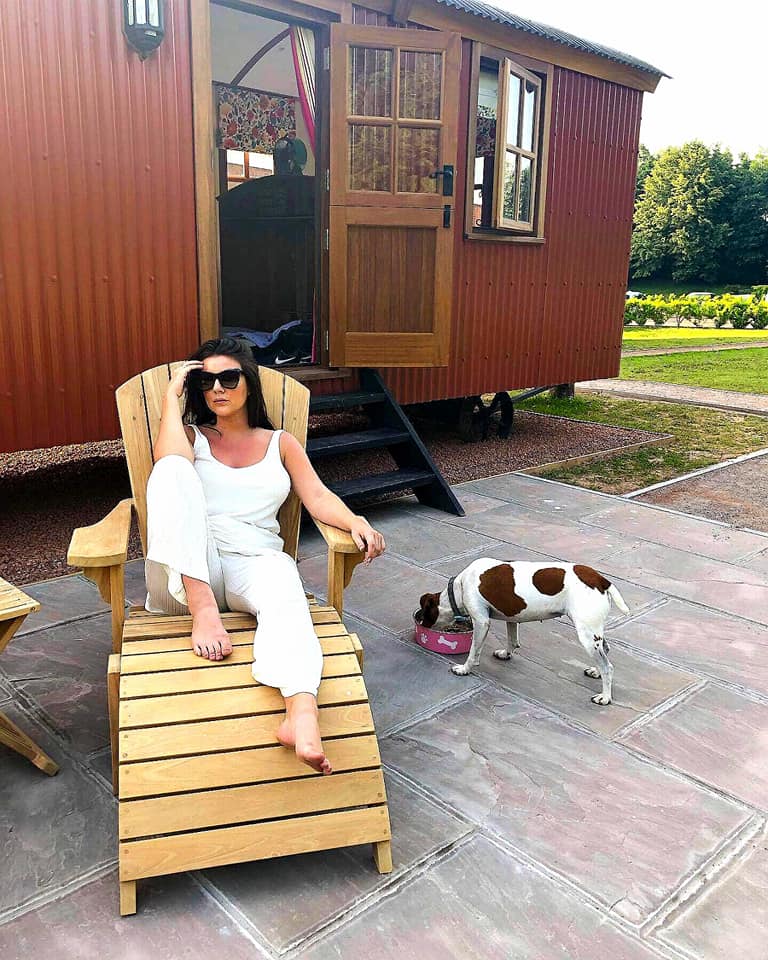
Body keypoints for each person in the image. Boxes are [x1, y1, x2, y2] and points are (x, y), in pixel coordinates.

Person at [143, 337, 386, 775]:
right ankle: (204, 613)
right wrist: (170, 397)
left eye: (229, 377)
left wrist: (355, 521)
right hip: (191, 568)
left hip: (252, 564)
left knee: (283, 576)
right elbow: (166, 470)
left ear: (249, 385)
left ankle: (300, 713)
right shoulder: (190, 438)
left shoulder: (280, 443)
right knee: (171, 470)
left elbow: (316, 496)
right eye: (206, 381)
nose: (217, 387)